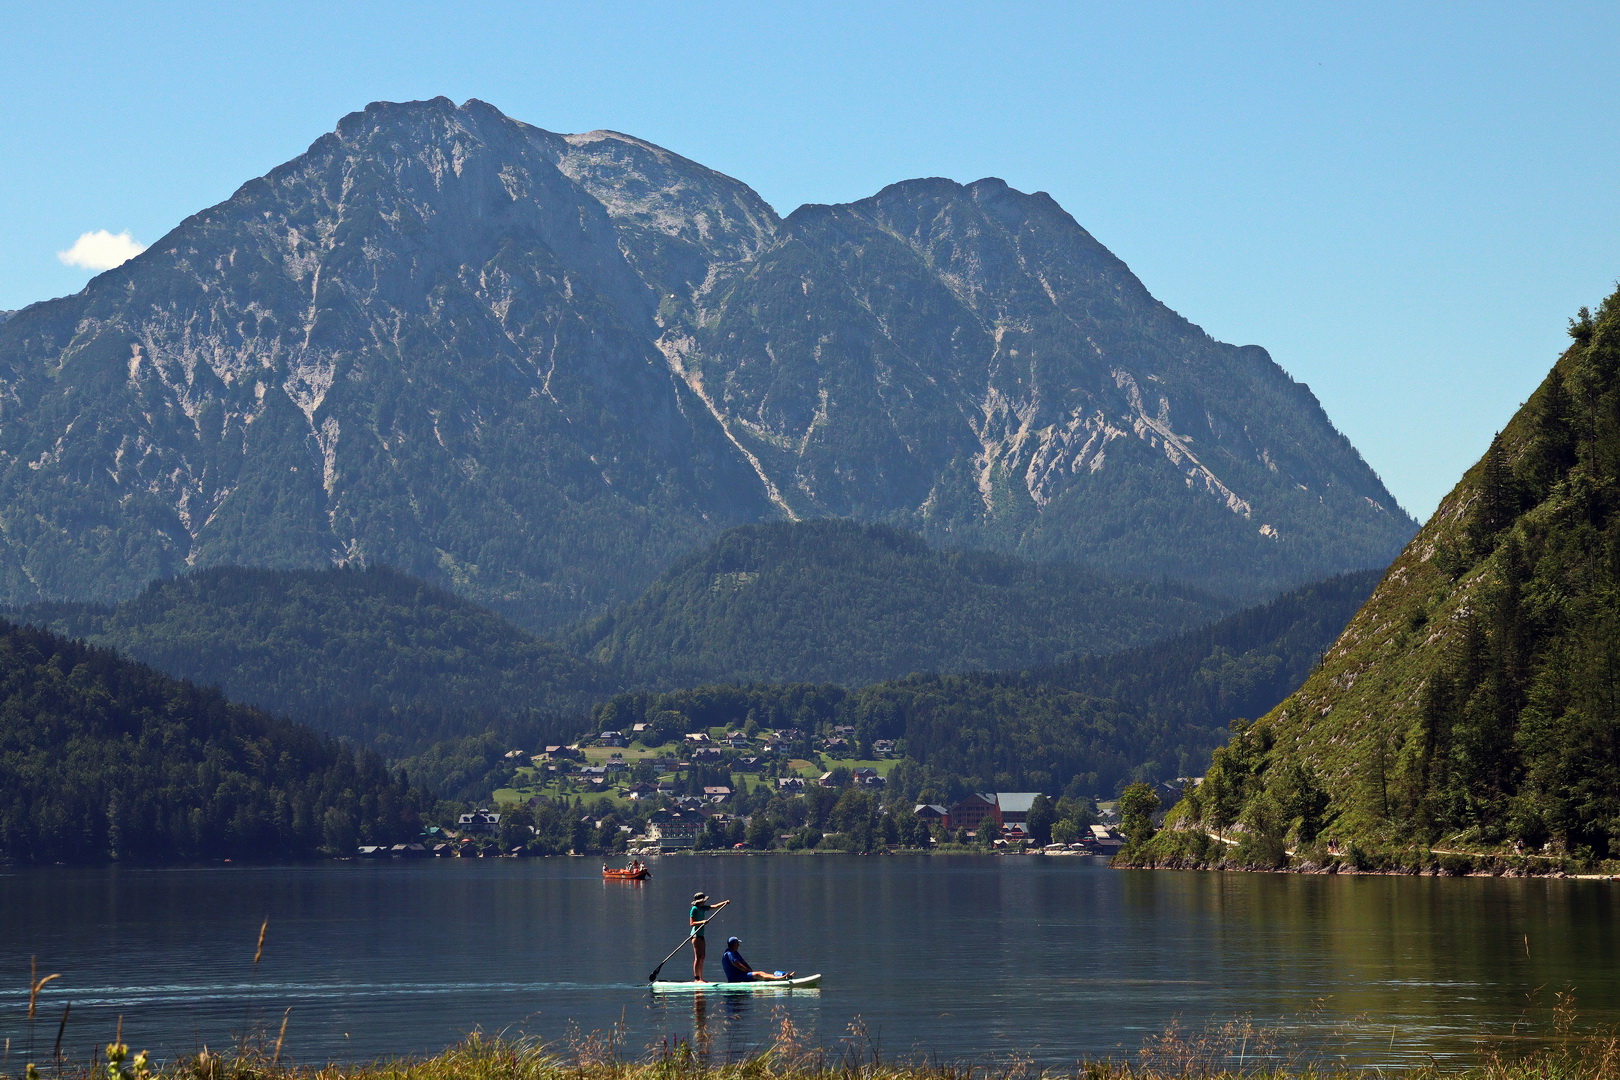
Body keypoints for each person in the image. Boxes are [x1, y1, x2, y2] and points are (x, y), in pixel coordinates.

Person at [688, 891, 730, 980]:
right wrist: (702, 922)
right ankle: (696, 979)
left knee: (703, 956)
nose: (705, 902)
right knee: (698, 957)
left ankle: (701, 978)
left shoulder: (703, 908)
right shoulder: (694, 909)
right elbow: (691, 923)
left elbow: (714, 906)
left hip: (701, 935)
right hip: (695, 935)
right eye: (703, 900)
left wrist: (725, 902)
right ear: (699, 901)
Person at [720, 936, 793, 982]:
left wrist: (751, 972)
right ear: (734, 944)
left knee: (760, 973)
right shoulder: (729, 953)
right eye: (737, 943)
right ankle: (781, 978)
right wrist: (749, 971)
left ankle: (779, 976)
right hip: (735, 978)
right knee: (759, 974)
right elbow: (737, 964)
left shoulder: (735, 952)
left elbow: (744, 963)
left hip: (741, 975)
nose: (739, 945)